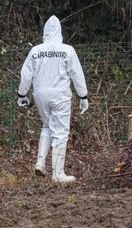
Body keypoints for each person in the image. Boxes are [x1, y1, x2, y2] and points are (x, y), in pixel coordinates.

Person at [17, 15, 88, 183]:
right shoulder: (67, 50)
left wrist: (22, 94)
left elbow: (26, 74)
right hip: (60, 94)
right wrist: (83, 95)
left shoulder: (35, 51)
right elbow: (76, 74)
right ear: (59, 32)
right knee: (61, 132)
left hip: (40, 93)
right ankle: (58, 173)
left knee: (47, 126)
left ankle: (40, 162)